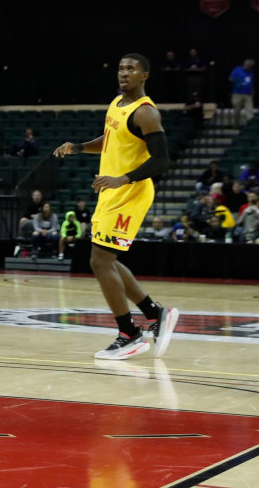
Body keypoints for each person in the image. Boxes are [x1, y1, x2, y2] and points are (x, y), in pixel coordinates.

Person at [53, 53, 179, 360]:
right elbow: (111, 139)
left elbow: (162, 161)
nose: (124, 73)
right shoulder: (117, 103)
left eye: (131, 69)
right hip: (111, 190)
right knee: (104, 259)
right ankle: (154, 313)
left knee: (100, 260)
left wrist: (122, 179)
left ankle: (130, 334)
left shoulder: (146, 112)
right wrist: (80, 147)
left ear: (144, 75)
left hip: (130, 191)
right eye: (121, 68)